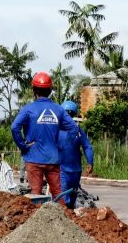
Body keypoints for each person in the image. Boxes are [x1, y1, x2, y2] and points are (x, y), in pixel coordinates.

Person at [10, 72, 78, 203]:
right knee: (58, 193)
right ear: (50, 90)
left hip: (33, 159)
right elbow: (73, 129)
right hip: (53, 159)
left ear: (34, 90)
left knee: (36, 195)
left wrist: (23, 146)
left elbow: (14, 127)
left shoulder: (28, 109)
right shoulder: (58, 110)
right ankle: (62, 220)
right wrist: (62, 146)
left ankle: (38, 222)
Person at [59, 100, 94, 209]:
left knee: (71, 197)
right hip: (63, 170)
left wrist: (90, 161)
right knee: (64, 198)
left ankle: (70, 220)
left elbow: (87, 146)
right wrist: (90, 162)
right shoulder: (57, 130)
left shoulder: (78, 130)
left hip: (74, 171)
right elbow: (87, 146)